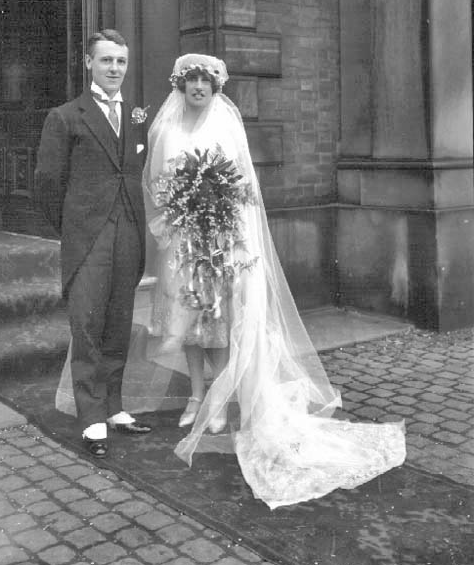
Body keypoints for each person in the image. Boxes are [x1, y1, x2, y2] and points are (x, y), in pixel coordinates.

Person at [142, 53, 406, 510]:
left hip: (222, 237)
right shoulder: (166, 129)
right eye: (191, 82)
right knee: (187, 316)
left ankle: (219, 403)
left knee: (218, 320)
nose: (199, 88)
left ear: (215, 87)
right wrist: (178, 216)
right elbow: (159, 185)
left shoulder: (225, 127)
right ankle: (196, 394)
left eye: (206, 81)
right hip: (185, 239)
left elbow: (246, 189)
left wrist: (229, 229)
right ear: (180, 87)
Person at [35, 28, 151, 459]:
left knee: (119, 323)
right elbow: (47, 185)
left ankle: (115, 407)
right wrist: (75, 226)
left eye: (120, 61)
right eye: (106, 61)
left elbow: (133, 173)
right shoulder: (65, 117)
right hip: (88, 238)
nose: (115, 69)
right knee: (87, 326)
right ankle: (91, 420)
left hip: (129, 233)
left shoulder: (136, 116)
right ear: (88, 64)